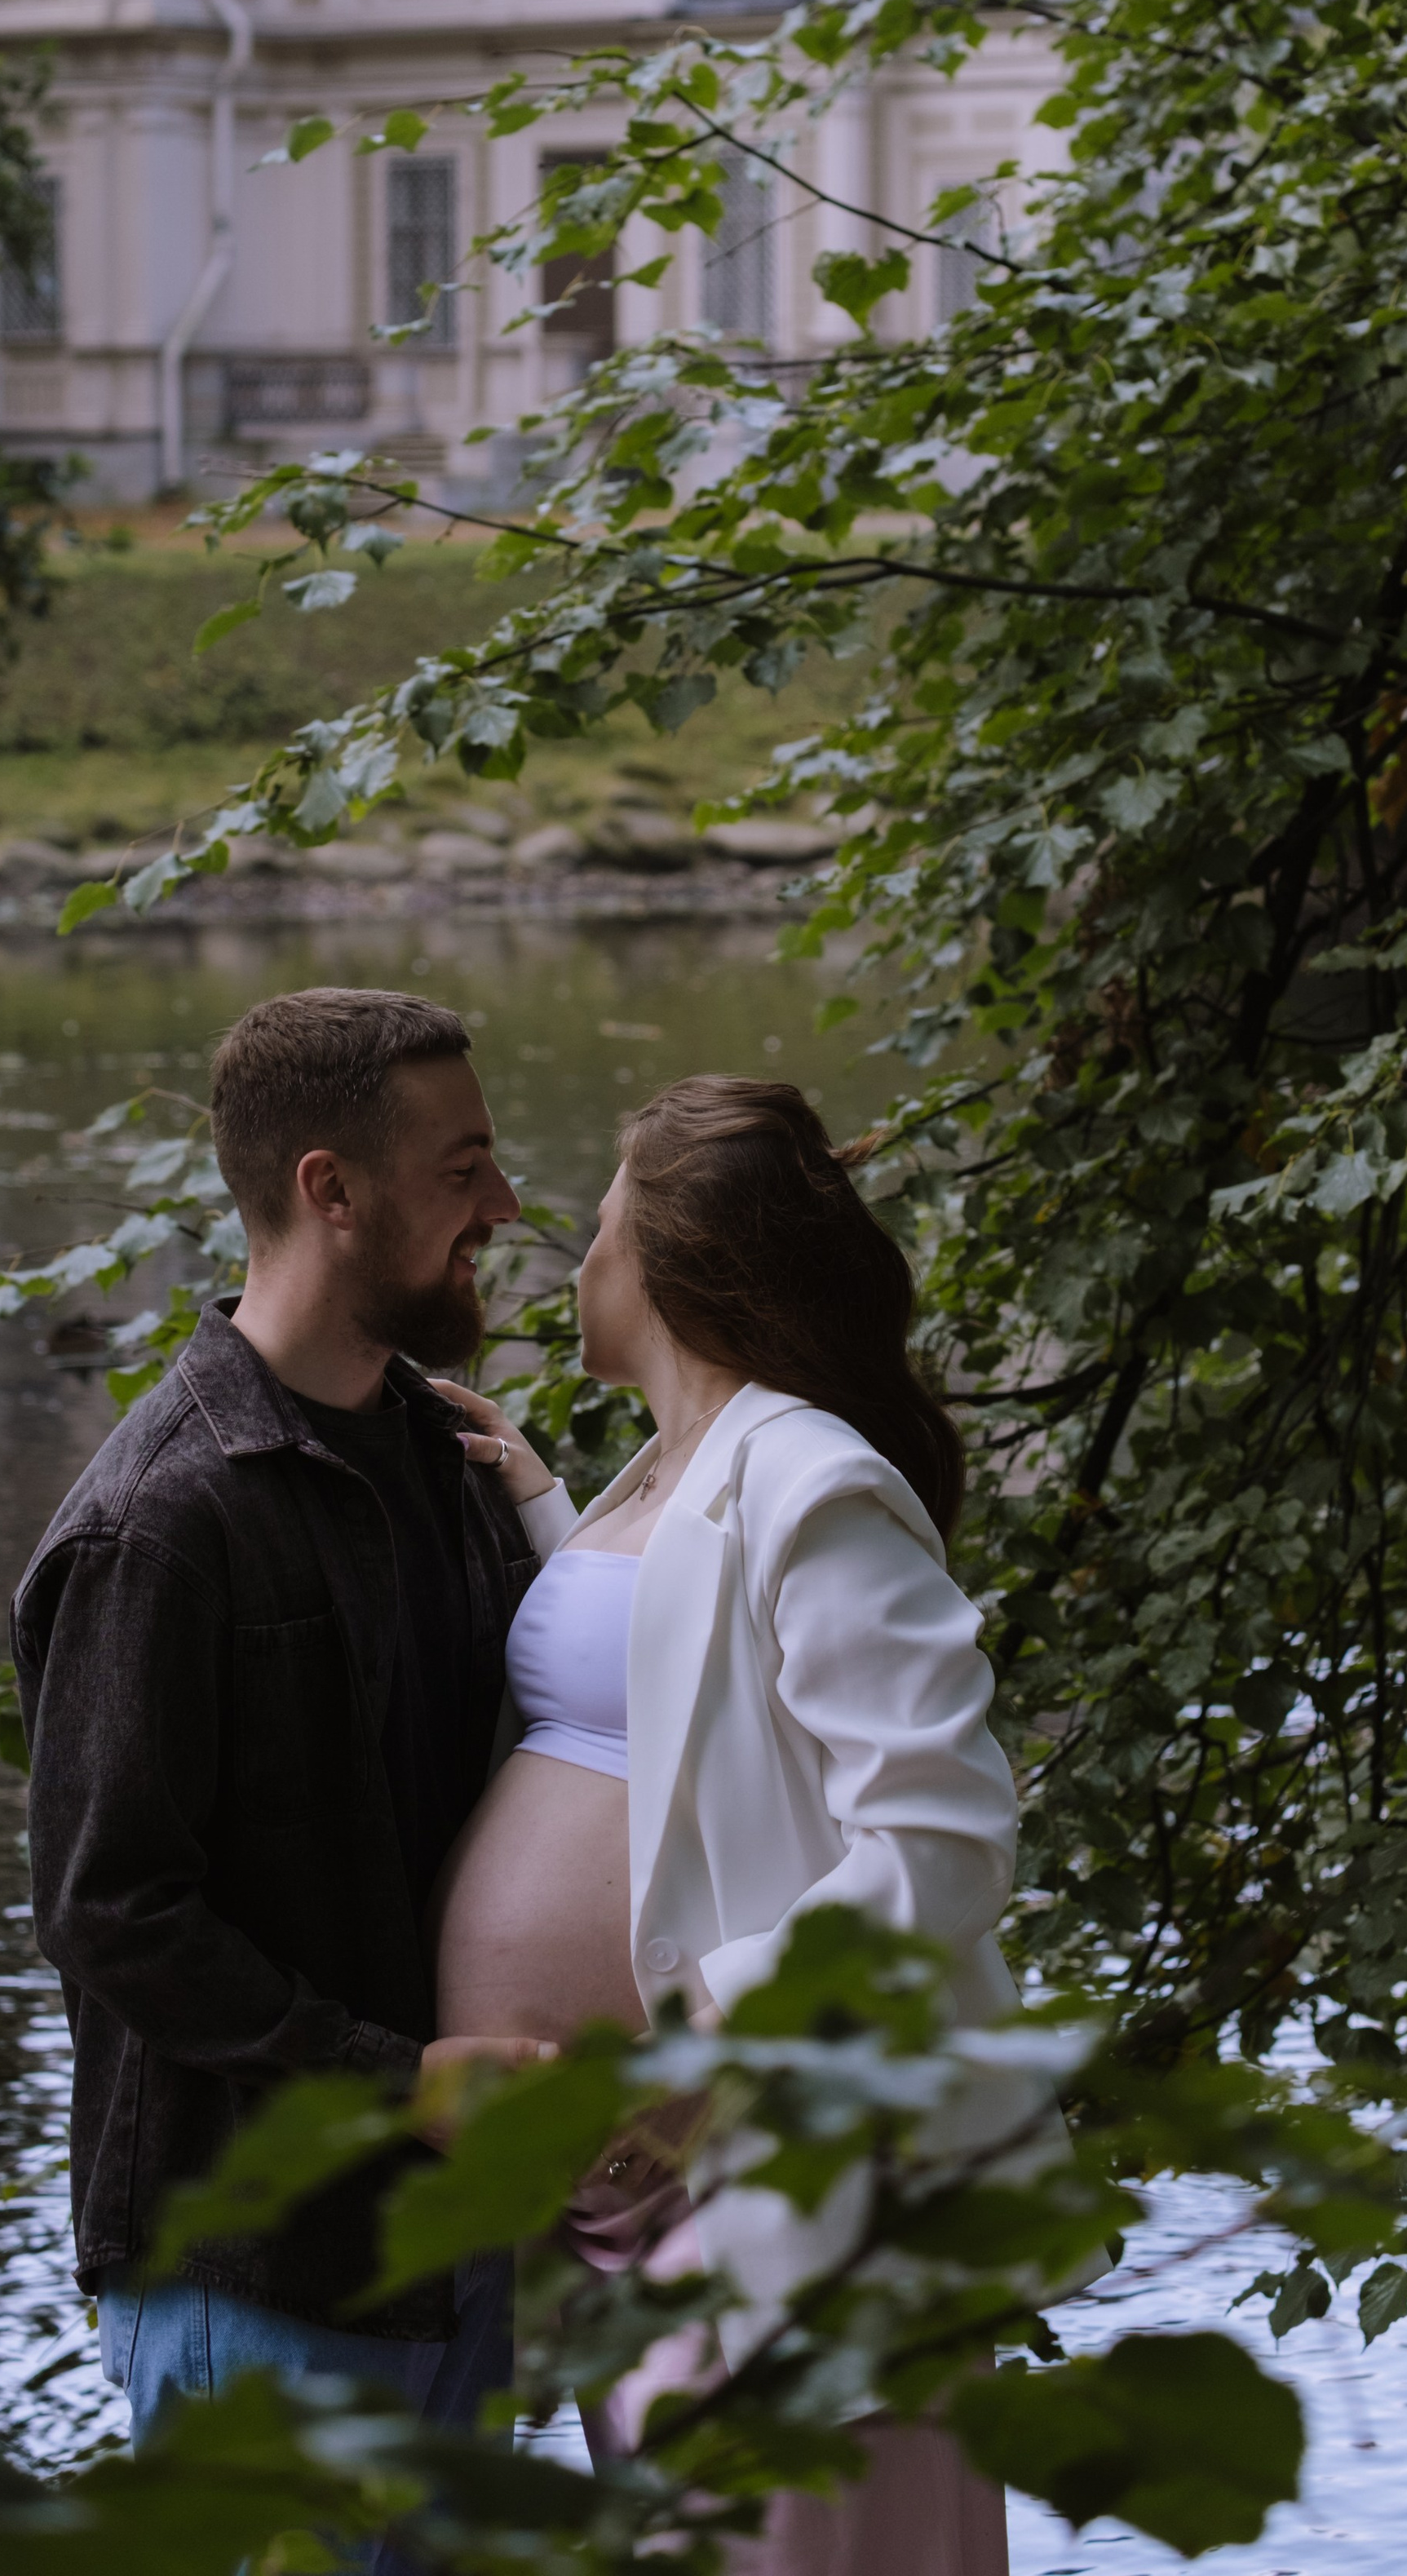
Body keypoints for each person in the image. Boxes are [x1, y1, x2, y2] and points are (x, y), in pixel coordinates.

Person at [429, 1075, 1027, 2576]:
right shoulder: (670, 1466)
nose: (575, 1260)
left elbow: (945, 1835)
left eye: (607, 1219)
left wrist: (708, 2048)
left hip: (749, 2154)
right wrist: (538, 1504)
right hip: (616, 2188)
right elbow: (677, 1685)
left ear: (677, 1253)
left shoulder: (814, 1476)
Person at [10, 989, 564, 2503]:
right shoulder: (159, 1526)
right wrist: (412, 2082)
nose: (503, 1209)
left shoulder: (446, 1466)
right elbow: (111, 1912)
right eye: (462, 1170)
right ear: (331, 1189)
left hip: (451, 2254)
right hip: (254, 2282)